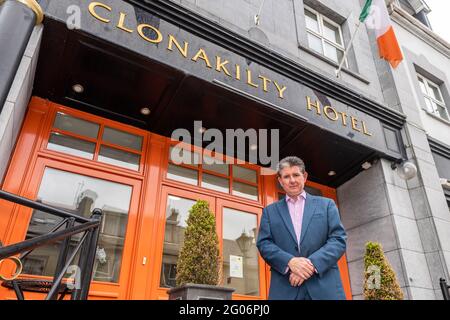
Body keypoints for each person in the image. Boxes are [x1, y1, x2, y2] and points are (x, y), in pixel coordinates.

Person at [256, 156, 347, 300]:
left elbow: (338, 240)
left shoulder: (327, 205)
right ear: (280, 181)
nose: (292, 180)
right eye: (286, 176)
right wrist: (290, 262)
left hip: (324, 288)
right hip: (285, 289)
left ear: (304, 176)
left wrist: (310, 265)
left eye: (296, 175)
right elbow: (264, 244)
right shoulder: (269, 212)